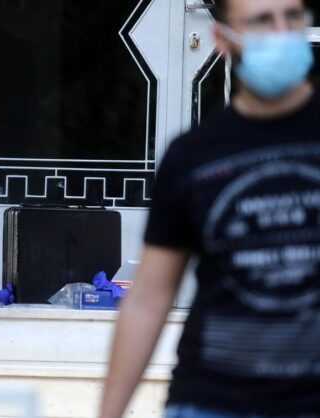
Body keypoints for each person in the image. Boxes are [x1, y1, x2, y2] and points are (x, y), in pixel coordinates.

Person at [100, 0, 320, 417]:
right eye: (261, 21)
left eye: (291, 16)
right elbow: (149, 297)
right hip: (211, 400)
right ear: (223, 39)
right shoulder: (193, 157)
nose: (280, 32)